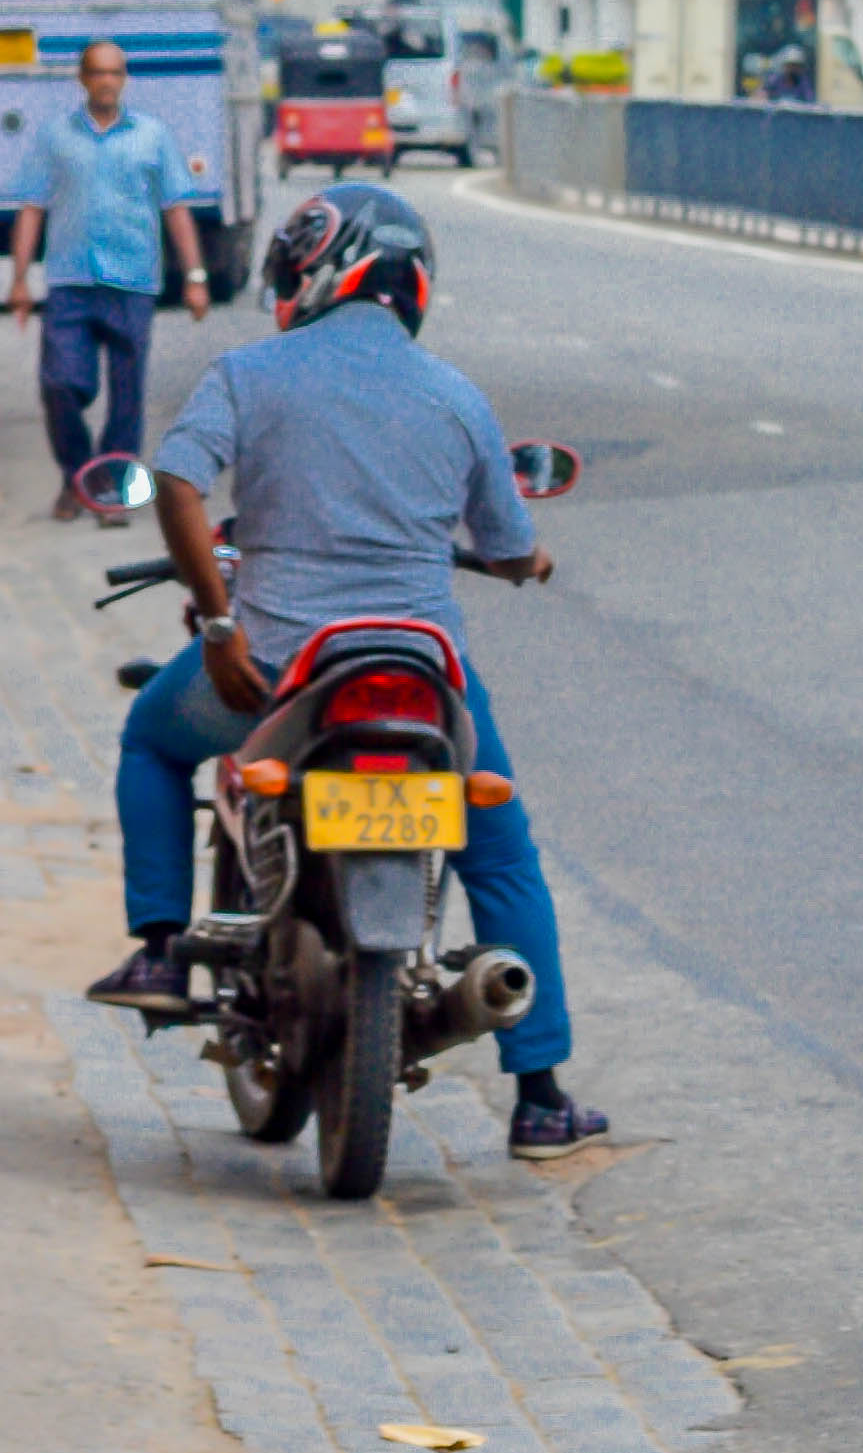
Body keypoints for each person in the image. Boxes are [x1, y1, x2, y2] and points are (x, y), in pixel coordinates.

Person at [84, 178, 610, 1160]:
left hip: (279, 668)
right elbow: (506, 542)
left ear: (317, 272)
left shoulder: (249, 373)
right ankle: (540, 1095)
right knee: (497, 855)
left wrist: (219, 628)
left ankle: (161, 950)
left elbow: (182, 485)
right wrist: (526, 561)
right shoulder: (456, 396)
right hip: (423, 672)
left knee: (152, 744)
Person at [11, 32, 209, 512]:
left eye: (115, 72)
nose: (106, 81)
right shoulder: (56, 136)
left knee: (127, 395)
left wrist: (196, 276)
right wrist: (19, 278)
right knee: (60, 383)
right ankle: (78, 475)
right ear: (82, 79)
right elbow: (33, 207)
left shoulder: (152, 136)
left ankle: (113, 489)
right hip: (69, 280)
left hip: (133, 281)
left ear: (124, 80)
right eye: (97, 72)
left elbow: (176, 208)